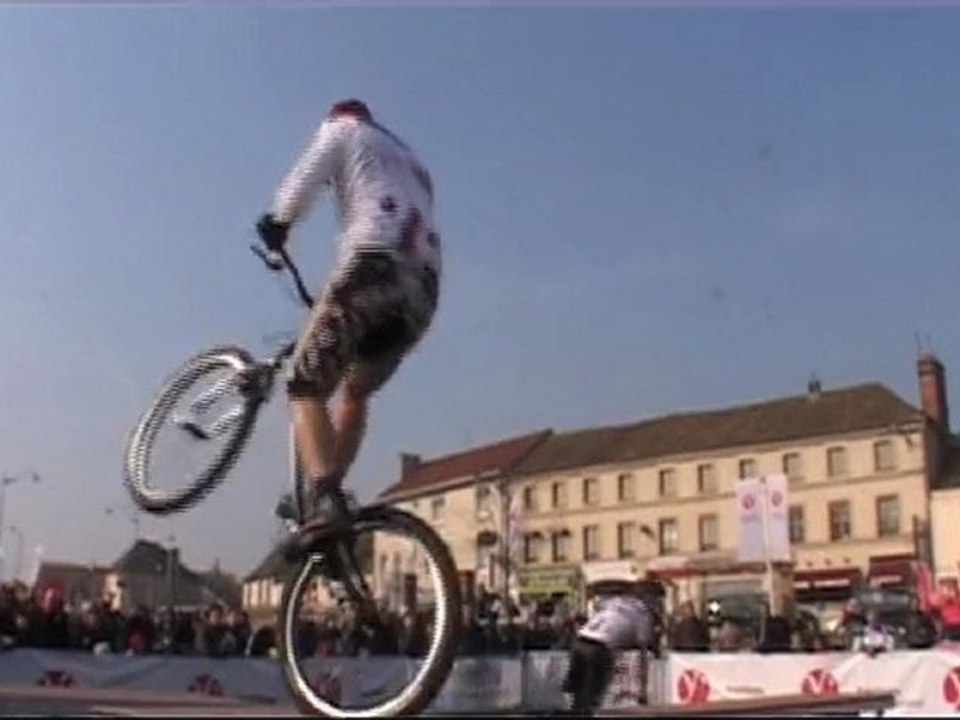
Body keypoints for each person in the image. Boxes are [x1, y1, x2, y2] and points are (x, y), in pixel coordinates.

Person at [255, 99, 441, 529]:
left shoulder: (343, 131)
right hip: (422, 289)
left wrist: (279, 222)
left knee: (305, 383)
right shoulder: (412, 163)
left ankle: (324, 495)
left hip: (373, 268)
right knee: (355, 392)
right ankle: (330, 504)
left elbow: (305, 177)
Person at [563, 584, 652, 715]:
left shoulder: (616, 601)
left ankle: (576, 710)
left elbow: (595, 603)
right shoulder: (642, 614)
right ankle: (584, 711)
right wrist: (643, 691)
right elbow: (643, 654)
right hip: (599, 647)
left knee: (578, 690)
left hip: (580, 641)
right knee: (593, 691)